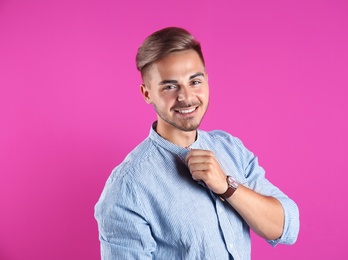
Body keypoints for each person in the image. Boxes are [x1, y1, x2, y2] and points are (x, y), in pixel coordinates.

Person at [94, 27, 299, 259]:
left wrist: (227, 187)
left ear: (207, 80)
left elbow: (285, 227)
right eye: (170, 86)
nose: (186, 97)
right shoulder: (128, 187)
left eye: (194, 81)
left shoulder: (231, 149)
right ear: (147, 93)